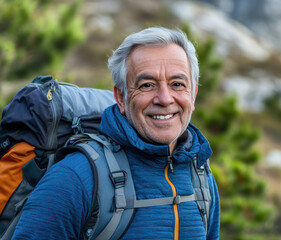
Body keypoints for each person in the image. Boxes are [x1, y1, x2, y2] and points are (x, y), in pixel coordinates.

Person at [11, 27, 220, 239]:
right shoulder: (74, 178)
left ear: (193, 93)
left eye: (177, 84)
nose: (165, 99)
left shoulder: (200, 176)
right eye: (147, 85)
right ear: (121, 97)